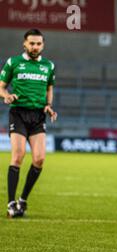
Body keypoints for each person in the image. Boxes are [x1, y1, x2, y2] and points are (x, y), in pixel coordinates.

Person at [0, 29, 57, 219]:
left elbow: (49, 88)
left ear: (43, 45)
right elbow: (1, 86)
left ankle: (22, 200)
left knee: (39, 159)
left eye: (38, 43)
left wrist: (49, 106)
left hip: (38, 115)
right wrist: (6, 95)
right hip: (18, 113)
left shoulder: (49, 66)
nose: (35, 47)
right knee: (18, 156)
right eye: (31, 43)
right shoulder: (13, 62)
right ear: (25, 44)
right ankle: (10, 205)